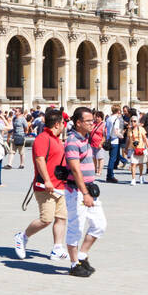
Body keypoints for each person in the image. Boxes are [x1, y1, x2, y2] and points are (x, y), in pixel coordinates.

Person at [13, 107, 69, 262]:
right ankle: (22, 237)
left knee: (61, 217)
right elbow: (39, 160)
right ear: (57, 124)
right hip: (45, 186)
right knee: (46, 219)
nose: (64, 125)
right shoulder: (42, 138)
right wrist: (47, 180)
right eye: (63, 123)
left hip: (60, 185)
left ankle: (57, 248)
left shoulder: (57, 140)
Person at [63, 107, 105, 277]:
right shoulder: (72, 141)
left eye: (92, 121)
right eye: (88, 121)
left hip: (89, 189)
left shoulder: (85, 138)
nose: (91, 124)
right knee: (76, 227)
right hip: (77, 191)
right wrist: (85, 193)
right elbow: (74, 169)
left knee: (100, 225)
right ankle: (74, 264)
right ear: (78, 122)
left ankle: (82, 255)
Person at [104, 106, 126, 183]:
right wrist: (121, 135)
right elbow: (116, 132)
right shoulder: (116, 119)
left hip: (109, 140)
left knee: (111, 158)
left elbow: (105, 129)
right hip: (114, 140)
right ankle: (110, 176)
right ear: (118, 111)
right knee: (112, 159)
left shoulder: (108, 118)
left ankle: (109, 175)